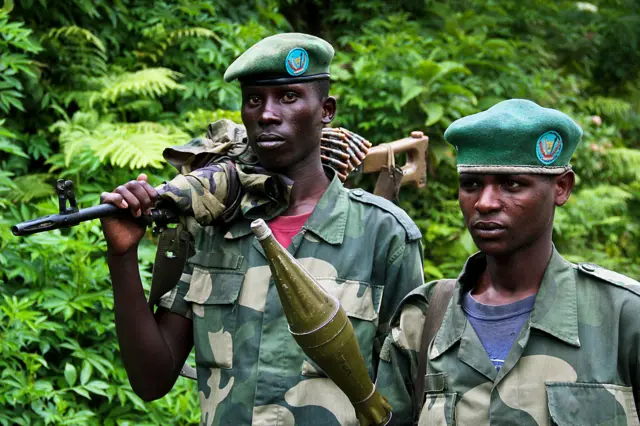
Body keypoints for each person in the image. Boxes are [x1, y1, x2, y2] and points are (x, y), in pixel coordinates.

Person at [100, 33, 424, 425]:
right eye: (254, 100)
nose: (267, 114)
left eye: (288, 97)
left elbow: (408, 400)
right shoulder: (212, 229)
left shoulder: (384, 235)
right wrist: (122, 257)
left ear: (326, 110)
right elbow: (151, 380)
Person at [377, 99, 640, 425]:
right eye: (471, 184)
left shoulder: (623, 318)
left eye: (511, 184)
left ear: (561, 187)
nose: (485, 203)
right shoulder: (423, 321)